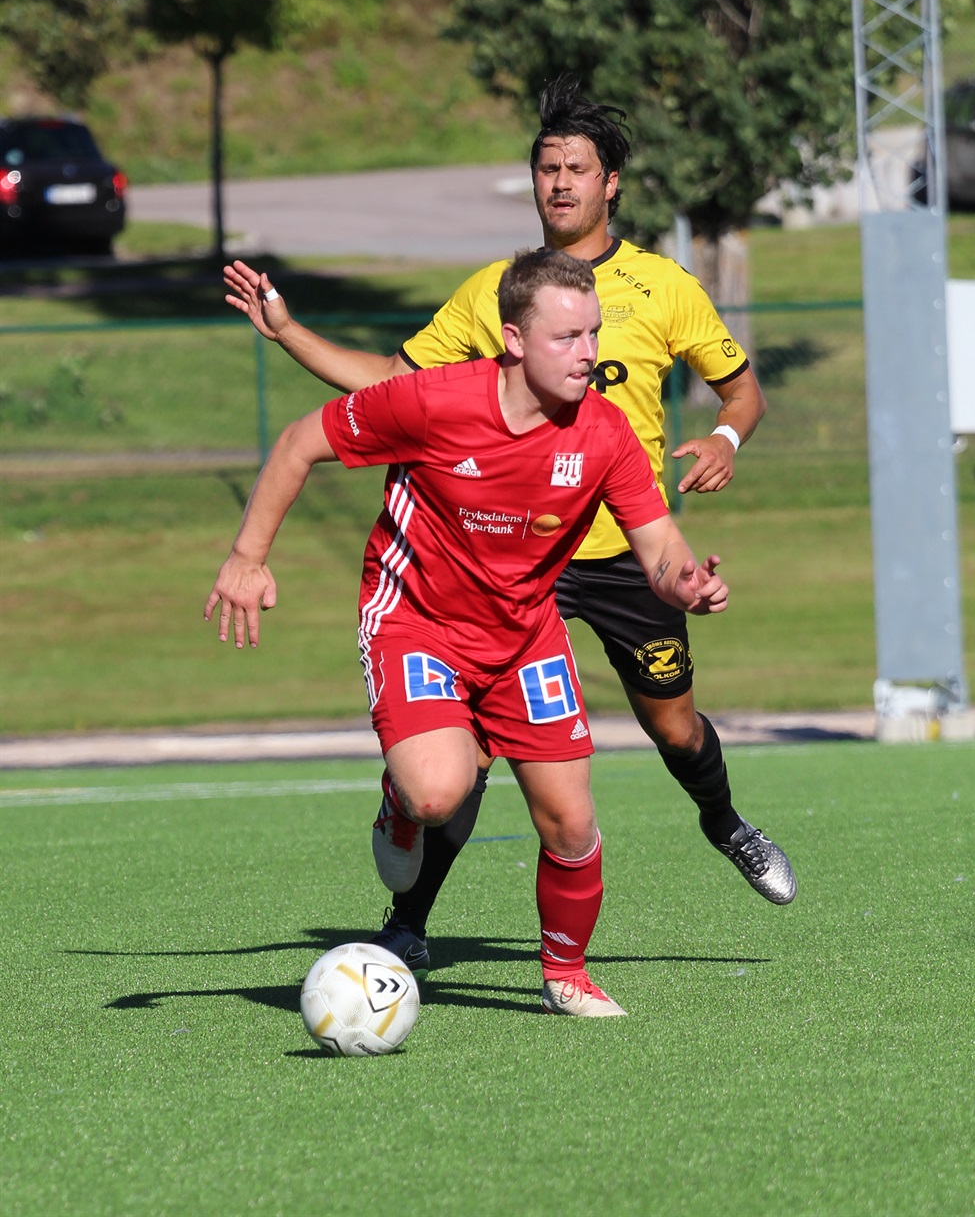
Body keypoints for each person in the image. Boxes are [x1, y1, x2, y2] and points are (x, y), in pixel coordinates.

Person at [222, 74, 796, 979]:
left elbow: (744, 392)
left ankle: (726, 824)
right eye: (545, 169)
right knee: (474, 750)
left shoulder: (663, 286)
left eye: (577, 169)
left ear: (611, 184)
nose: (559, 183)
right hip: (515, 564)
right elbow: (394, 385)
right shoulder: (500, 292)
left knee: (676, 727)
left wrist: (725, 438)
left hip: (630, 553)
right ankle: (408, 921)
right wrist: (291, 334)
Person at [206, 250, 730, 1017]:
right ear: (514, 340)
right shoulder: (434, 402)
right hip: (415, 619)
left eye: (593, 333)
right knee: (437, 792)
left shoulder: (604, 433)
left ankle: (566, 976)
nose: (588, 352)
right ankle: (400, 807)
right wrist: (248, 558)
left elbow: (658, 547)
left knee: (572, 823)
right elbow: (299, 443)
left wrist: (685, 582)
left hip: (524, 633)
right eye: (567, 337)